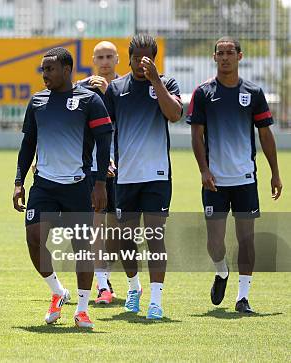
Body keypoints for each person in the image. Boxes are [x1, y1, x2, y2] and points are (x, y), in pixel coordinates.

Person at [13, 47, 113, 329]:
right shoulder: (37, 102)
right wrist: (19, 182)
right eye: (43, 70)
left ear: (67, 70)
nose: (45, 74)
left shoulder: (90, 101)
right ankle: (57, 292)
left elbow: (104, 141)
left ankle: (82, 309)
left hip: (78, 186)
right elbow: (27, 144)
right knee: (34, 238)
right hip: (43, 185)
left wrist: (100, 183)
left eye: (50, 69)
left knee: (82, 248)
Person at [187, 37, 282, 313]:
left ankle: (243, 297)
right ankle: (222, 271)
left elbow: (265, 134)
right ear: (214, 57)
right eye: (221, 53)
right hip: (214, 181)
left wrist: (275, 174)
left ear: (240, 56)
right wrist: (204, 170)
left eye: (230, 52)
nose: (226, 57)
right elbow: (196, 134)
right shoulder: (203, 93)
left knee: (246, 240)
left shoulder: (253, 92)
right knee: (214, 243)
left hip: (245, 180)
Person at [103, 34, 183, 320]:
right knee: (126, 239)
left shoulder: (167, 83)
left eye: (148, 58)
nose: (142, 63)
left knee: (154, 236)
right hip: (125, 176)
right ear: (129, 57)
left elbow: (174, 114)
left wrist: (156, 81)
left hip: (157, 175)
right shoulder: (116, 88)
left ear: (155, 58)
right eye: (137, 58)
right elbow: (106, 130)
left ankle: (157, 301)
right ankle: (134, 288)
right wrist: (108, 159)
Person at [77, 40, 120, 304]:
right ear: (93, 60)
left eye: (109, 56)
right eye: (100, 57)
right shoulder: (81, 89)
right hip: (93, 168)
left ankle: (110, 278)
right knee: (96, 229)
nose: (104, 61)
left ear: (117, 60)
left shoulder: (126, 89)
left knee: (118, 234)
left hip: (125, 168)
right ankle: (103, 285)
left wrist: (111, 93)